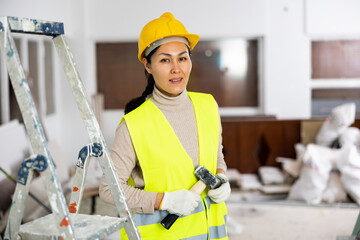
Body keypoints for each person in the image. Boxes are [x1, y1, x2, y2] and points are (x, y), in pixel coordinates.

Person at [99, 12, 231, 240]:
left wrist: (222, 178)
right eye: (165, 60)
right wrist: (163, 200)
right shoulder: (134, 124)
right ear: (148, 65)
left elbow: (216, 155)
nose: (176, 69)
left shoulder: (208, 105)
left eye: (182, 58)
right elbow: (109, 189)